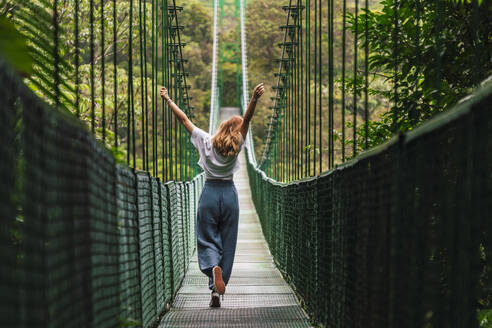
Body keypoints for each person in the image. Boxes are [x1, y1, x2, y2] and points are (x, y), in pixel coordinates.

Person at [160, 83, 265, 308]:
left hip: (209, 193)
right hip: (229, 194)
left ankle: (211, 270)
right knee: (227, 241)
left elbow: (184, 120)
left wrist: (169, 100)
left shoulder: (206, 141)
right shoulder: (237, 145)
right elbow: (246, 121)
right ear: (236, 132)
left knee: (207, 238)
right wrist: (254, 99)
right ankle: (217, 287)